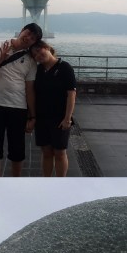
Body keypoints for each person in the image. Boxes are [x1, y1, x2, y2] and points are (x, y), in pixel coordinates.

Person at [0, 23, 41, 177]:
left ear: (34, 42)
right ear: (21, 31)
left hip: (18, 107)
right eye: (28, 33)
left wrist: (32, 116)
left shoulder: (31, 60)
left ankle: (16, 179)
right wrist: (1, 59)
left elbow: (30, 89)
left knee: (17, 148)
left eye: (33, 38)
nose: (28, 38)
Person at [30, 41, 77, 177]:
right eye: (35, 55)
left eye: (39, 50)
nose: (38, 55)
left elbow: (71, 94)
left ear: (47, 48)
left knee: (59, 152)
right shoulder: (38, 70)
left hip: (59, 118)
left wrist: (67, 118)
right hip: (42, 118)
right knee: (46, 152)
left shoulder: (64, 67)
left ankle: (60, 181)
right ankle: (47, 181)